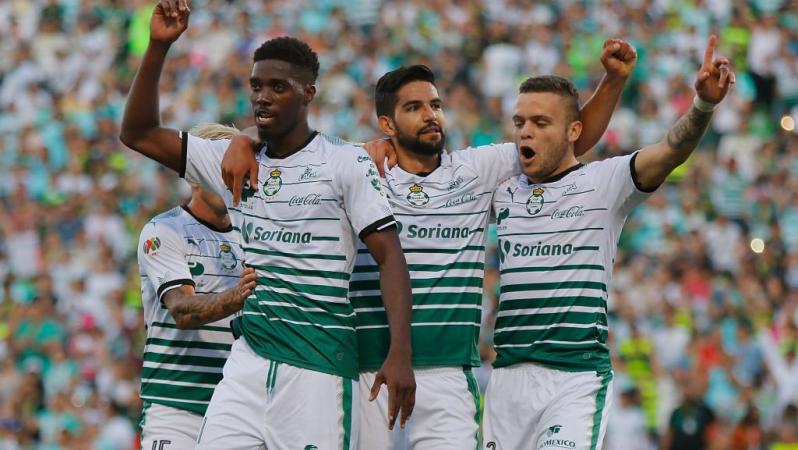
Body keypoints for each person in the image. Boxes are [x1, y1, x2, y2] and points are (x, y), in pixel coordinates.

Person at [221, 41, 636, 449]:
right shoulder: (356, 167)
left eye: (435, 105)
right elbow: (290, 139)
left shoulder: (477, 171)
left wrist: (613, 81)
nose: (430, 115)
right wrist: (246, 136)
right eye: (414, 108)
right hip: (370, 371)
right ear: (387, 124)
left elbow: (564, 143)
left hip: (449, 374)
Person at [119, 1, 415, 448]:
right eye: (256, 86)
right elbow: (138, 133)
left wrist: (400, 351)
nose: (262, 96)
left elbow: (389, 254)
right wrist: (158, 46)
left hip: (317, 367)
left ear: (309, 92)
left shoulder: (342, 160)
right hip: (248, 364)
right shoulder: (231, 160)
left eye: (278, 87)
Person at [482, 35, 734, 450]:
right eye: (520, 122)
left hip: (574, 378)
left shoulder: (604, 182)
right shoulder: (502, 187)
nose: (525, 132)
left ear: (573, 131)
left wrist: (703, 106)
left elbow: (670, 151)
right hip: (507, 379)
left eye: (540, 123)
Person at [137, 123, 255, 450]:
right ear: (193, 176)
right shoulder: (164, 230)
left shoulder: (254, 234)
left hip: (239, 404)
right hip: (177, 402)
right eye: (220, 170)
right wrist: (241, 293)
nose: (232, 179)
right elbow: (182, 310)